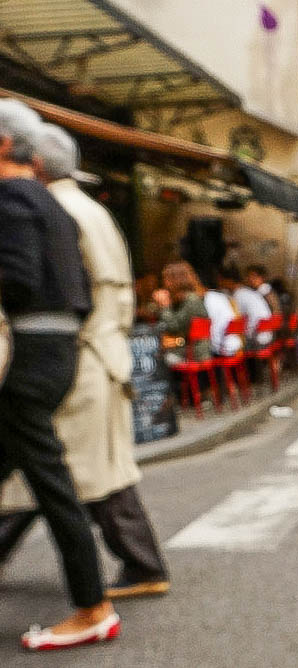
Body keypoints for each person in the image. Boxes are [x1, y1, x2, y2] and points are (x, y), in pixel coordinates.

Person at [0, 123, 170, 598]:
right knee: (72, 468)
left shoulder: (51, 208)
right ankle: (139, 565)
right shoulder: (84, 207)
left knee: (67, 471)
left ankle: (134, 569)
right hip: (95, 352)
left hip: (79, 353)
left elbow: (61, 290)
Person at [0, 99, 119, 650]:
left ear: (4, 144)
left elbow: (19, 279)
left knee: (53, 485)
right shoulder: (52, 203)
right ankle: (92, 601)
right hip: (58, 350)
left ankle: (93, 605)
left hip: (27, 354)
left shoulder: (11, 198)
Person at [154, 261, 211, 365]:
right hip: (193, 350)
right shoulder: (188, 298)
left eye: (165, 279)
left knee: (157, 358)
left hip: (194, 353)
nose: (163, 283)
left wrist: (164, 306)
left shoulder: (191, 300)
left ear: (175, 280)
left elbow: (174, 327)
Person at [218, 265, 273, 347]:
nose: (219, 284)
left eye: (221, 280)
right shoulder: (249, 292)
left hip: (256, 340)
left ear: (228, 281)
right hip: (268, 336)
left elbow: (234, 318)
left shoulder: (239, 294)